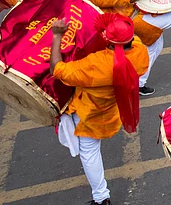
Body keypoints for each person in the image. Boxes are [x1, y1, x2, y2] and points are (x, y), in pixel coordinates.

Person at [50, 13, 149, 205]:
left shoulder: (96, 64)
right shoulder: (140, 52)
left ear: (109, 41)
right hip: (113, 110)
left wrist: (56, 36)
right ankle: (100, 196)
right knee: (91, 151)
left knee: (89, 152)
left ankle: (101, 196)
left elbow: (57, 69)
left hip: (89, 114)